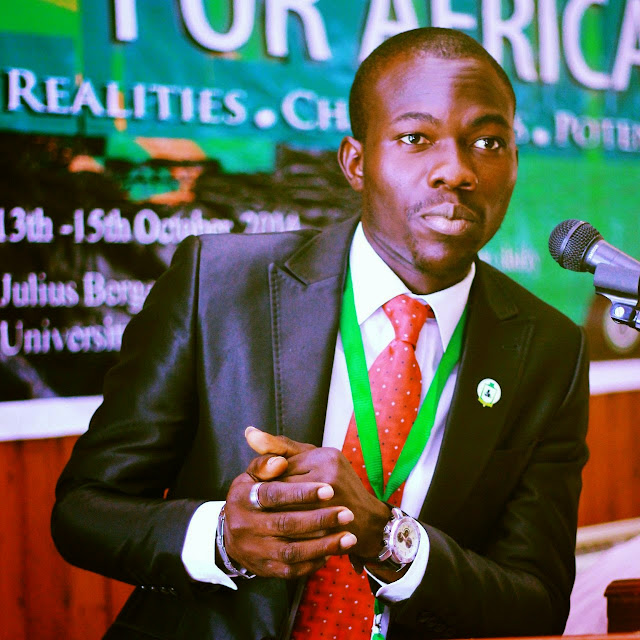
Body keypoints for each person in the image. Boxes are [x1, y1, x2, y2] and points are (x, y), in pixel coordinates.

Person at [51, 27, 589, 640]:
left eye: (488, 142)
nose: (456, 170)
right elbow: (84, 510)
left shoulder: (550, 350)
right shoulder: (217, 284)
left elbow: (538, 601)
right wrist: (221, 538)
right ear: (356, 163)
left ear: (515, 162)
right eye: (415, 138)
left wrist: (391, 540)